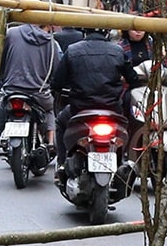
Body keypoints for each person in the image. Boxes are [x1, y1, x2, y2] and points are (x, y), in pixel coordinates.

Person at [0, 22, 58, 182]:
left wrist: (0, 77)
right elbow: (55, 71)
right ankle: (50, 141)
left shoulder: (11, 33)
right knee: (50, 109)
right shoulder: (51, 42)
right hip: (39, 93)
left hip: (11, 91)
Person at [51, 28, 133, 168]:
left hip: (80, 108)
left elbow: (57, 83)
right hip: (112, 108)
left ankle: (62, 163)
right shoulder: (118, 51)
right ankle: (121, 162)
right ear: (106, 33)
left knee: (60, 123)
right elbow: (133, 78)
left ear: (85, 32)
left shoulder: (72, 50)